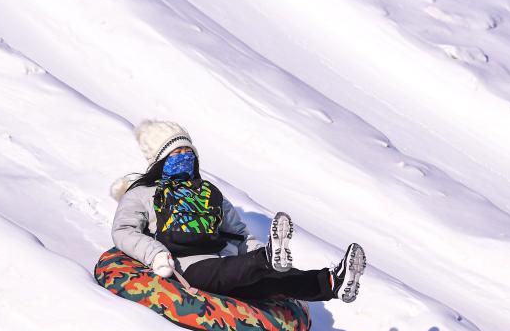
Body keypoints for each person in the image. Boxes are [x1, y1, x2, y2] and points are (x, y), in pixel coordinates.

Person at [110, 120, 366, 303]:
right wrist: (156, 255)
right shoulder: (142, 194)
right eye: (177, 151)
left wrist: (258, 252)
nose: (185, 155)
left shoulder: (207, 192)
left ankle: (332, 282)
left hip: (223, 261)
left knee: (271, 280)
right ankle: (266, 259)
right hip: (181, 266)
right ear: (161, 159)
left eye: (189, 151)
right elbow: (124, 230)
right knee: (232, 270)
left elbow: (239, 235)